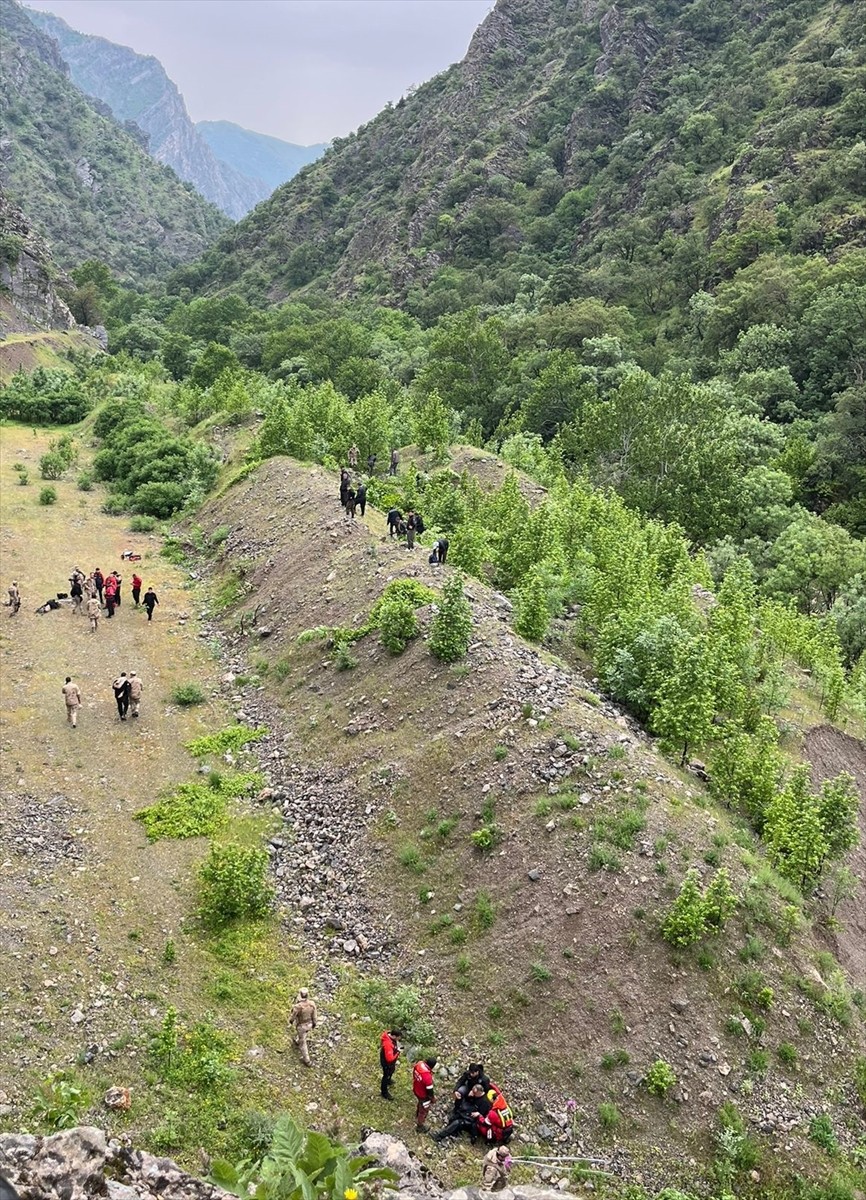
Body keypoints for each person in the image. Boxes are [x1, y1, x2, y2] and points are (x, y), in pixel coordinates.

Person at [289, 987, 318, 1067]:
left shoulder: (297, 1007)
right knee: (304, 1035)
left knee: (303, 1044)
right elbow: (314, 1016)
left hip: (302, 1026)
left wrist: (291, 1021)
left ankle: (307, 1060)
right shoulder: (312, 1004)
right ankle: (298, 1040)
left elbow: (293, 1017)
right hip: (310, 1024)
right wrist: (314, 1023)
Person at [413, 1056, 437, 1132]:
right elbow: (430, 1091)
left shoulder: (419, 1064)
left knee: (420, 1103)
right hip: (423, 1095)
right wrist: (432, 1098)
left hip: (416, 1089)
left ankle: (417, 1113)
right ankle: (420, 1126)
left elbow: (414, 1073)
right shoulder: (427, 1077)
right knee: (423, 1111)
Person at [379, 1029, 402, 1100]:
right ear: (394, 1036)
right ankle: (384, 1092)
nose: (399, 1039)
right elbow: (389, 1059)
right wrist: (398, 1052)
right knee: (386, 1075)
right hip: (387, 1062)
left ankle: (389, 1080)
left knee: (391, 1070)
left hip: (390, 1062)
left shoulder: (389, 1036)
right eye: (398, 1038)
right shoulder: (388, 1044)